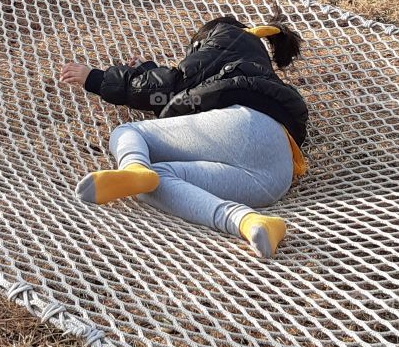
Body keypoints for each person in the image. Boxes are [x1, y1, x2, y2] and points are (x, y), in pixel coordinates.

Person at [59, 15, 308, 257]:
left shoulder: (225, 37)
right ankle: (249, 223)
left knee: (128, 131)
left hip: (245, 126)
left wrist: (96, 78)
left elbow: (170, 86)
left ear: (203, 40)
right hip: (275, 176)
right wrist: (148, 69)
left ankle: (134, 167)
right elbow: (184, 97)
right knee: (156, 181)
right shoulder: (255, 67)